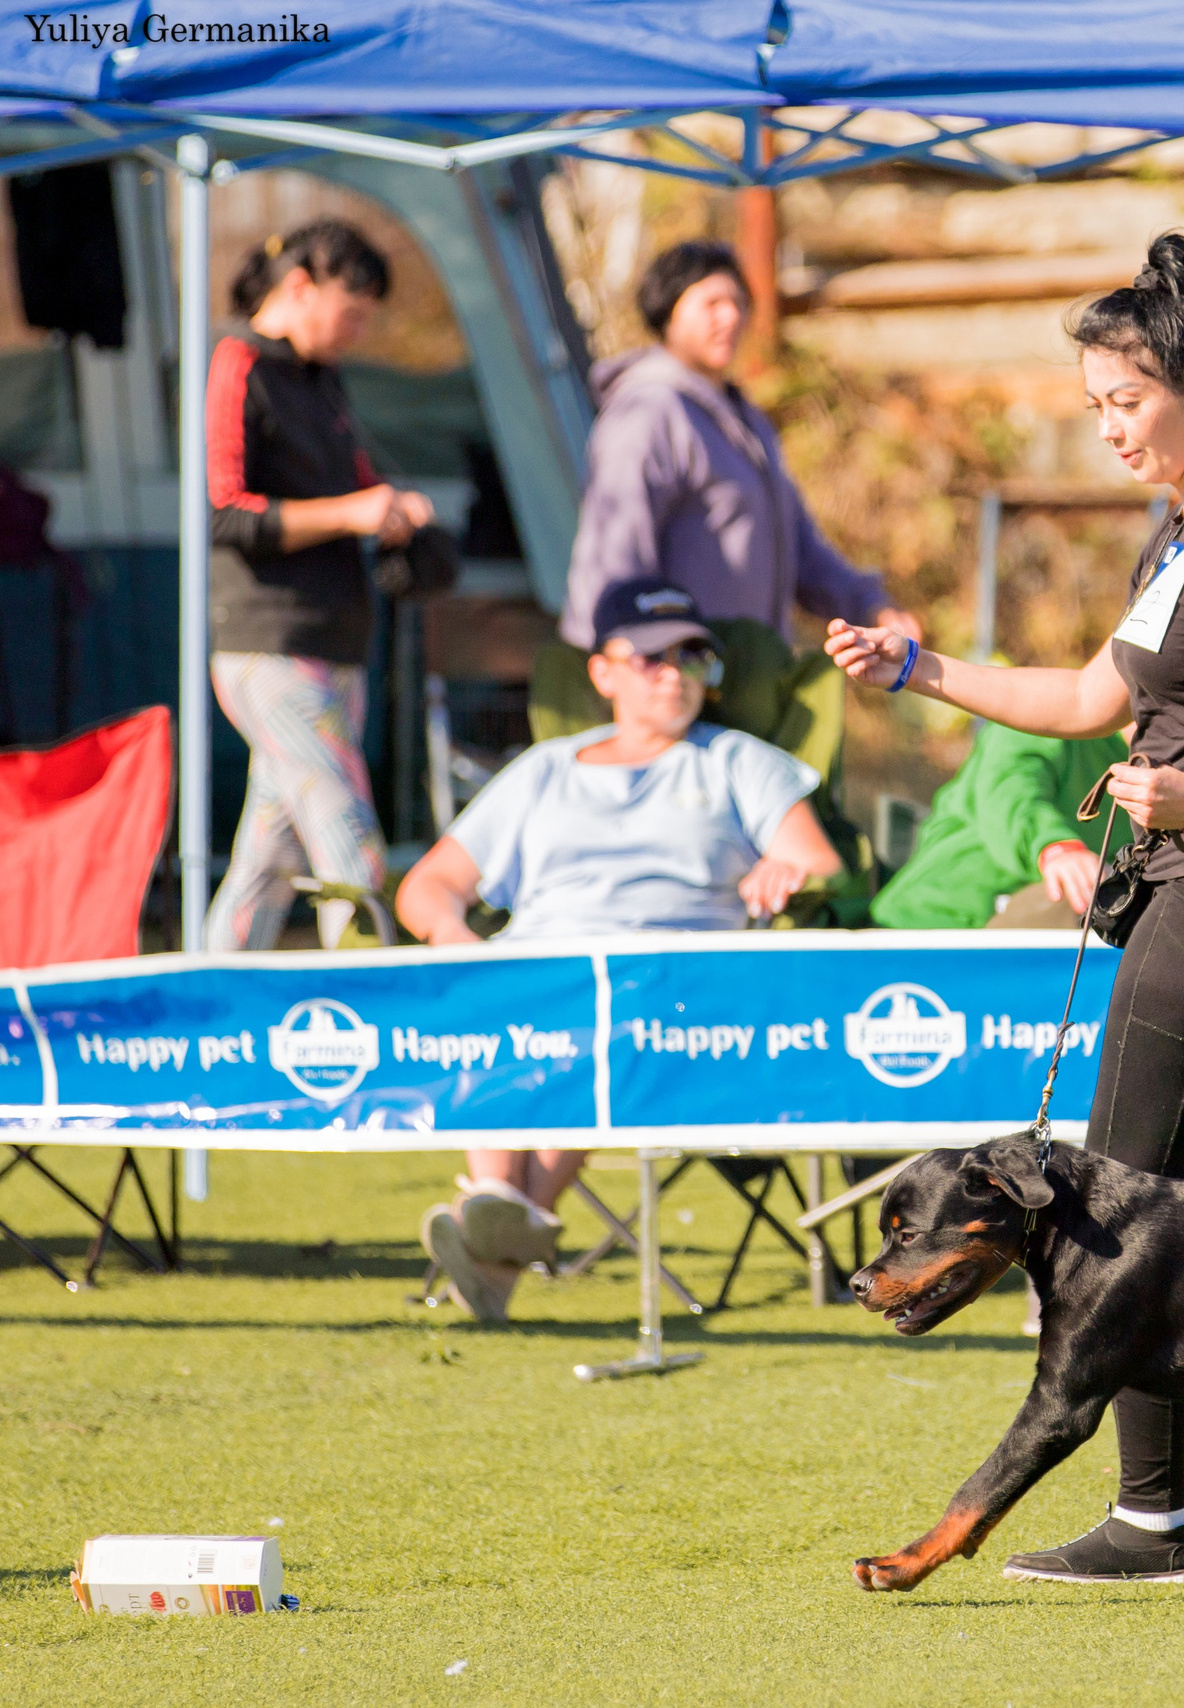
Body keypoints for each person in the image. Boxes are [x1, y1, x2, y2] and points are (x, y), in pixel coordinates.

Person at [825, 232, 1184, 1586]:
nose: (1107, 426)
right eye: (1095, 402)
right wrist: (918, 669)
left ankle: (1151, 1520)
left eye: (1128, 400)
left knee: (1115, 1222)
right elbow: (1090, 699)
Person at [395, 578, 843, 1322]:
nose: (675, 674)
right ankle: (505, 1225)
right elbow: (428, 887)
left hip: (673, 985)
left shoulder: (736, 761)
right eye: (653, 658)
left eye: (694, 657)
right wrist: (454, 935)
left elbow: (821, 864)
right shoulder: (543, 770)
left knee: (596, 1014)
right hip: (535, 971)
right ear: (602, 672)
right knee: (503, 996)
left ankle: (495, 1220)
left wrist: (783, 868)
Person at [205, 219, 437, 950]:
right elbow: (222, 510)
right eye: (351, 313)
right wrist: (350, 513)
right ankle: (374, 987)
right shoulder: (237, 361)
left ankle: (213, 985)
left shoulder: (325, 381)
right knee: (348, 836)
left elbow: (358, 487)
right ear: (301, 286)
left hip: (338, 642)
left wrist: (394, 511)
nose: (357, 332)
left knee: (270, 855)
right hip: (270, 646)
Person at [557, 240, 922, 652]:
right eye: (712, 303)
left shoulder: (747, 421)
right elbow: (614, 559)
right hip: (679, 673)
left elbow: (800, 548)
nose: (731, 316)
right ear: (667, 313)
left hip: (747, 670)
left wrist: (869, 606)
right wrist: (628, 661)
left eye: (738, 302)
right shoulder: (648, 414)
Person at [870, 725, 1130, 930]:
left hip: (1034, 948)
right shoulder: (1046, 716)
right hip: (929, 929)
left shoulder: (1150, 776)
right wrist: (1056, 848)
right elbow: (1008, 795)